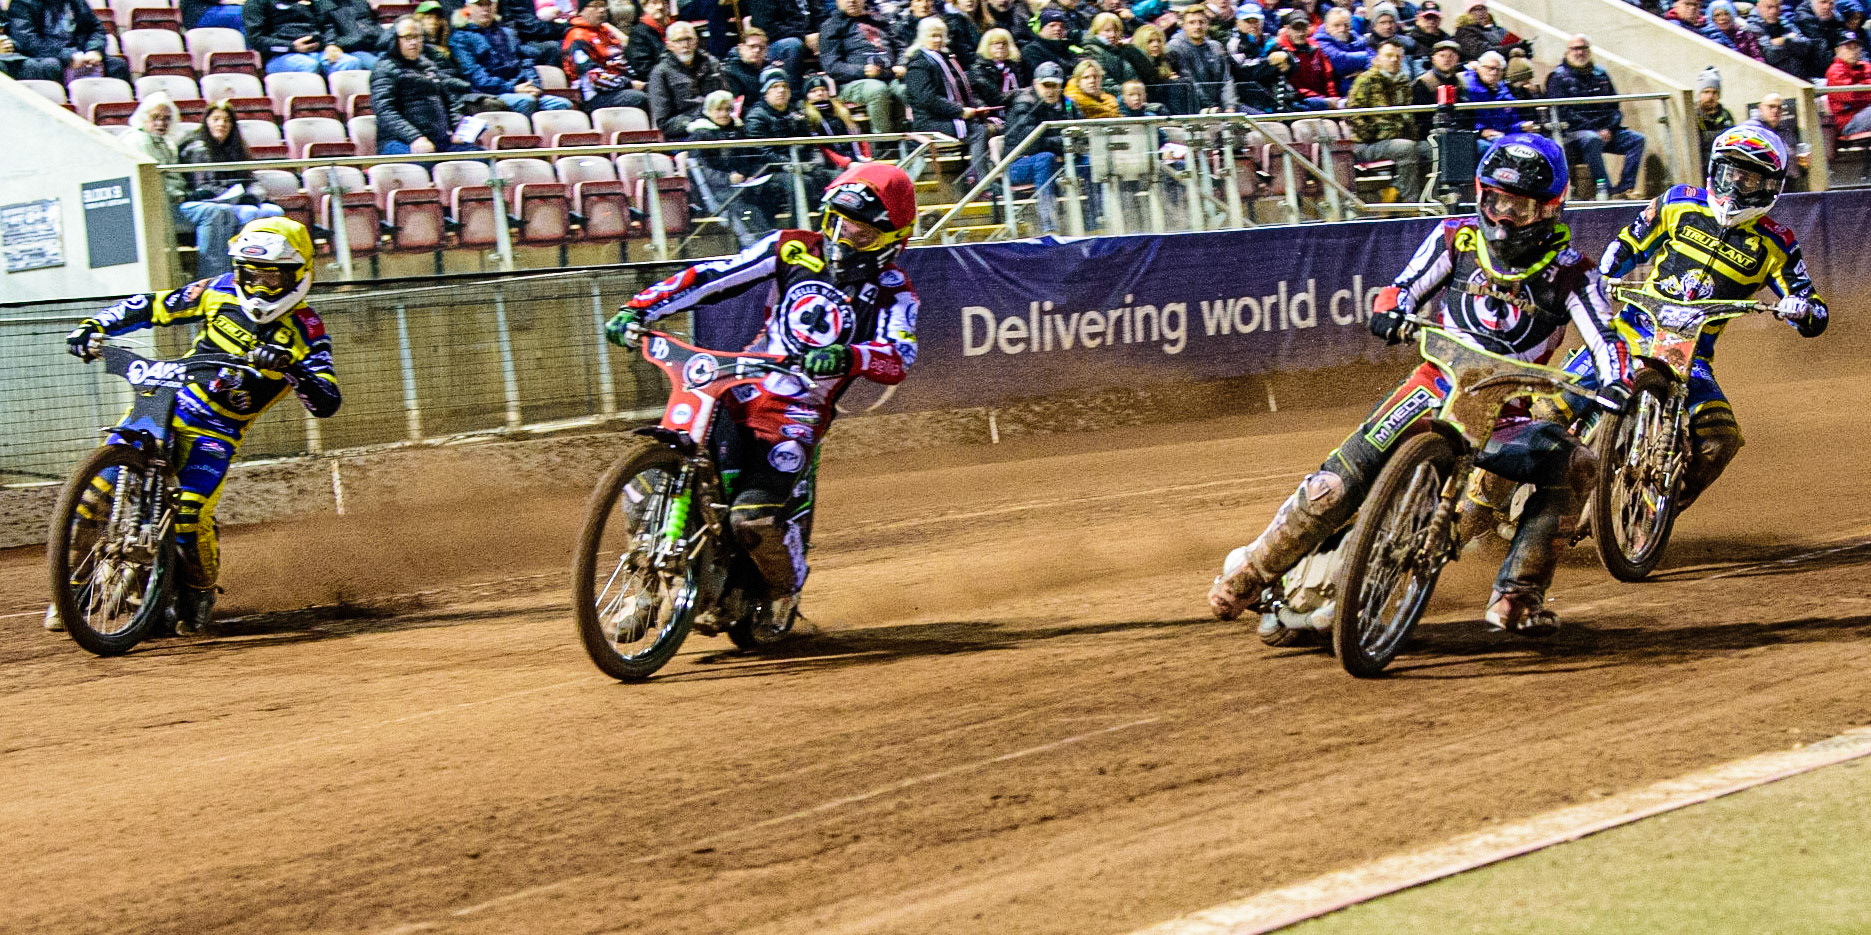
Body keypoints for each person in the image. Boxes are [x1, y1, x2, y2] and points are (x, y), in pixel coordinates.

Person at [1208, 134, 1628, 637]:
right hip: (1429, 390)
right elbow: (1403, 287)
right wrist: (1390, 310)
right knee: (1332, 487)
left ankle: (1518, 594)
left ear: (1549, 209)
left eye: (1519, 206)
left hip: (1506, 417)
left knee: (1578, 462)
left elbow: (1607, 340)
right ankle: (1249, 575)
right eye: (1495, 200)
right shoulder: (1456, 238)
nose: (1503, 217)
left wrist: (1617, 382)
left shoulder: (1573, 273)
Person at [603, 163, 921, 631]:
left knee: (752, 519)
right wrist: (641, 307)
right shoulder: (791, 248)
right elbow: (713, 276)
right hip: (740, 383)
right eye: (840, 223)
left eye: (864, 233)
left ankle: (782, 590)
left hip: (799, 409)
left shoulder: (894, 291)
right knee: (648, 482)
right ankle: (647, 591)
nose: (847, 238)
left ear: (894, 238)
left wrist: (848, 356)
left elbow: (898, 354)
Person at [54, 218, 340, 635]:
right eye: (250, 273)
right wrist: (95, 326)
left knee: (188, 514)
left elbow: (327, 402)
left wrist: (291, 365)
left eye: (271, 275)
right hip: (166, 397)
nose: (259, 286)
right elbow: (152, 305)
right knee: (94, 494)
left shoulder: (307, 330)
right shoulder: (217, 290)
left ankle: (198, 591)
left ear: (297, 274)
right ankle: (73, 590)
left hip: (216, 428)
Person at [1563, 126, 1828, 514]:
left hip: (1692, 358)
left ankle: (1653, 513)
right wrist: (1607, 270)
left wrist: (1802, 309)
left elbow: (1814, 309)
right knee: (1554, 406)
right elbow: (1629, 242)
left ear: (1770, 186)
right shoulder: (1678, 202)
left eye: (1749, 178)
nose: (1736, 186)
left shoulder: (1777, 243)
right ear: (1714, 170)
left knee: (1720, 440)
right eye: (1730, 174)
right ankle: (1484, 498)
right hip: (1628, 333)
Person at [122, 95, 244, 280]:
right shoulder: (137, 140)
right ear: (143, 117)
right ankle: (209, 278)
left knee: (226, 211)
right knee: (211, 212)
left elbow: (176, 179)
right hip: (155, 207)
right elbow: (150, 181)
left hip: (174, 201)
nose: (161, 123)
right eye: (156, 117)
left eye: (166, 118)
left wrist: (188, 194)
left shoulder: (168, 143)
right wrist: (182, 195)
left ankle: (226, 274)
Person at [1546, 35, 1647, 198]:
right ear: (1567, 52)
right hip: (1574, 135)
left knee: (1636, 140)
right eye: (1575, 49)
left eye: (1583, 48)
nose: (1580, 53)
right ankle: (1604, 189)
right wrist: (1595, 129)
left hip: (1605, 131)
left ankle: (1624, 188)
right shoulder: (1557, 77)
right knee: (1591, 138)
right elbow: (1563, 114)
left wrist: (1609, 128)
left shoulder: (1601, 74)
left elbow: (1614, 106)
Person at [372, 16, 485, 155]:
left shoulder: (428, 65)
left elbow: (450, 102)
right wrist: (415, 137)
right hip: (399, 140)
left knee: (481, 157)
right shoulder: (384, 68)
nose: (414, 42)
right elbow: (384, 110)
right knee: (425, 163)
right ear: (395, 40)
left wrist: (458, 129)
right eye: (408, 37)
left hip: (438, 140)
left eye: (418, 37)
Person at [901, 17, 993, 185]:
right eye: (933, 36)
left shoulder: (945, 59)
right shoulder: (918, 64)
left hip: (947, 115)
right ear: (922, 37)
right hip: (929, 122)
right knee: (978, 132)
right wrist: (959, 111)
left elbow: (963, 87)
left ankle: (976, 174)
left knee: (990, 126)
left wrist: (977, 106)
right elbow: (927, 99)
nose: (938, 40)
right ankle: (982, 182)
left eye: (940, 36)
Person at [455, 0, 581, 115]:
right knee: (526, 102)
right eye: (480, 4)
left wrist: (533, 86)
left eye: (489, 4)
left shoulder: (507, 32)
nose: (485, 9)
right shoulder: (460, 38)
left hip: (521, 90)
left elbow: (526, 61)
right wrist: (513, 89)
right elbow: (477, 77)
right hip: (491, 95)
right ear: (468, 8)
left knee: (563, 104)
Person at [685, 89, 777, 246]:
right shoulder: (700, 135)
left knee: (770, 192)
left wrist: (752, 174)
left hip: (743, 185)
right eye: (719, 110)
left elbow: (753, 157)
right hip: (714, 190)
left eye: (728, 109)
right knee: (742, 206)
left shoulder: (738, 131)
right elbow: (700, 170)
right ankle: (758, 243)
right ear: (708, 111)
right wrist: (727, 178)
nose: (724, 114)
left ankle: (771, 239)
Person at [1003, 60, 1083, 232]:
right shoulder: (1024, 104)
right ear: (1035, 84)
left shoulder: (1069, 105)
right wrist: (1063, 143)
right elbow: (1030, 143)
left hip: (1060, 159)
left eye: (1055, 85)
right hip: (1016, 163)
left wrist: (1066, 145)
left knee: (1089, 160)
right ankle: (1049, 225)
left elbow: (1082, 136)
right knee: (1045, 159)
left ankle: (1095, 218)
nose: (1051, 90)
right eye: (1046, 85)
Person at [1346, 40, 1431, 199]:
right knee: (1405, 148)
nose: (1394, 60)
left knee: (1435, 149)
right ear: (1377, 59)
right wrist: (1376, 134)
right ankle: (1409, 201)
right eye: (1389, 56)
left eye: (1398, 57)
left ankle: (1431, 198)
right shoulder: (1366, 81)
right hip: (1368, 144)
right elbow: (1353, 116)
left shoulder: (1403, 81)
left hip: (1400, 140)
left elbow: (1408, 116)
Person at [180, 102, 288, 227]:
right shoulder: (197, 147)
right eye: (216, 119)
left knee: (274, 211)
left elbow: (251, 180)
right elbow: (203, 186)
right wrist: (240, 198)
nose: (221, 124)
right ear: (207, 121)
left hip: (239, 199)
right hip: (213, 201)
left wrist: (255, 196)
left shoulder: (237, 148)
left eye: (227, 120)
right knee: (249, 212)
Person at [820, 0, 906, 131]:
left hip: (889, 75)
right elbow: (832, 66)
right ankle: (884, 144)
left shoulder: (879, 21)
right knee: (877, 89)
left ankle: (912, 139)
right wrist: (862, 71)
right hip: (853, 83)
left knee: (907, 88)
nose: (851, 1)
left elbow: (901, 47)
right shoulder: (831, 26)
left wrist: (902, 64)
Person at [558, 0, 652, 112]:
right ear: (581, 11)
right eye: (596, 6)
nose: (602, 10)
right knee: (638, 98)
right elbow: (593, 78)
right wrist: (629, 83)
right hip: (592, 97)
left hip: (618, 87)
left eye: (603, 6)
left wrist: (641, 82)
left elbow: (622, 63)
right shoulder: (577, 37)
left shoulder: (605, 32)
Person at [7, 0, 129, 81]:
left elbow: (96, 29)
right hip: (45, 56)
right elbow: (28, 41)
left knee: (117, 65)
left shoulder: (77, 2)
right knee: (51, 65)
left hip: (80, 54)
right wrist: (67, 56)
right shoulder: (21, 3)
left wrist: (94, 50)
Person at [646, 20, 727, 140]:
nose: (685, 45)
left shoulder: (712, 64)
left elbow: (727, 97)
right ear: (669, 45)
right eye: (679, 40)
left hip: (719, 126)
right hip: (684, 135)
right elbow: (665, 124)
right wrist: (698, 120)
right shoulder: (660, 73)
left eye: (689, 39)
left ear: (696, 41)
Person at [243, 0, 368, 74]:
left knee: (350, 62)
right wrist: (292, 46)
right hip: (279, 56)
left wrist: (330, 44)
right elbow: (256, 40)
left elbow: (327, 23)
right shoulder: (255, 3)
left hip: (318, 50)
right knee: (309, 65)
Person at [1463, 50, 1535, 152]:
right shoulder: (1466, 88)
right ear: (1479, 68)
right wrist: (1481, 131)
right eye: (1490, 68)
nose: (1494, 73)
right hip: (1476, 138)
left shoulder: (1505, 92)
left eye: (1498, 70)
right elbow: (1464, 121)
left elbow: (1510, 123)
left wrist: (1521, 126)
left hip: (1502, 137)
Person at [1167, 3, 1236, 110]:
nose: (1197, 26)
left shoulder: (1216, 47)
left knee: (1259, 118)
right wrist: (1212, 107)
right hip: (1193, 107)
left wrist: (1230, 106)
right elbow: (1189, 81)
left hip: (1220, 106)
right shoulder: (1174, 47)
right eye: (1192, 23)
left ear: (1207, 25)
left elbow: (1226, 80)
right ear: (1183, 26)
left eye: (1201, 22)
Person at [802, 73, 869, 168]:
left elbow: (860, 137)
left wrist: (867, 157)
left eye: (823, 89)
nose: (820, 93)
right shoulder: (808, 118)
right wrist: (845, 163)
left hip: (857, 160)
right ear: (806, 95)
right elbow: (820, 147)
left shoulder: (841, 111)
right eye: (813, 91)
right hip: (833, 166)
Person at [1274, 9, 1337, 106]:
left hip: (1322, 100)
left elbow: (1328, 77)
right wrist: (1323, 101)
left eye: (1303, 28)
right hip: (1297, 101)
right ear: (1287, 29)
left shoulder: (1316, 48)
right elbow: (1291, 87)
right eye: (1296, 29)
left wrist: (1333, 98)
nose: (1300, 33)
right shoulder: (1280, 50)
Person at [1747, 0, 1823, 78]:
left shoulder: (1784, 22)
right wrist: (1790, 41)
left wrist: (1783, 41)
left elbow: (1807, 45)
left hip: (1801, 75)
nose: (1774, 11)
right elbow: (1770, 54)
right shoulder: (1753, 27)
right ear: (1758, 7)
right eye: (1769, 7)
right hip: (1776, 79)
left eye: (1777, 7)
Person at [1309, 6, 1370, 93]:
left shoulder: (1355, 36)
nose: (1342, 29)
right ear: (1326, 26)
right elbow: (1340, 61)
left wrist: (1363, 71)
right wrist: (1368, 57)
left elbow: (1375, 54)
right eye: (1336, 25)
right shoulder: (1319, 41)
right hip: (1335, 92)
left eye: (1346, 25)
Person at [1411, 38, 1464, 137]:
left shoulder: (1462, 83)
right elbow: (1420, 119)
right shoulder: (1423, 83)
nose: (1447, 59)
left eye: (1451, 56)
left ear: (1457, 59)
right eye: (1442, 56)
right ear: (1433, 59)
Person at [318, 0, 387, 71]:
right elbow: (329, 33)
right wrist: (357, 39)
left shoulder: (360, 2)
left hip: (375, 44)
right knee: (379, 66)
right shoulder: (324, 4)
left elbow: (374, 24)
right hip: (354, 50)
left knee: (393, 61)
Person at [968, 27, 1027, 108]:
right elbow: (995, 99)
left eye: (1004, 43)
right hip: (992, 112)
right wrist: (1023, 92)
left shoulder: (1014, 66)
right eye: (995, 43)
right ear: (986, 46)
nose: (1000, 46)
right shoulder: (979, 69)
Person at [1827, 29, 1871, 137]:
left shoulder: (1866, 66)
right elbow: (1852, 96)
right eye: (1848, 48)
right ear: (1837, 51)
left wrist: (1862, 87)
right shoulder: (1835, 70)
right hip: (1849, 122)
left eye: (1856, 47)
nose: (1853, 51)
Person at [1083, 11, 1141, 93]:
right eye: (1107, 30)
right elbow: (1105, 83)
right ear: (1096, 31)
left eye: (1116, 30)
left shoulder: (1120, 50)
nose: (1113, 35)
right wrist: (1130, 92)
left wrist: (1131, 48)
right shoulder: (1091, 50)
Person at [1695, 66, 1735, 166]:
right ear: (1699, 94)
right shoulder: (1692, 116)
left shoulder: (1726, 115)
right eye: (1706, 92)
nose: (1710, 96)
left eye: (1714, 92)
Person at [1020, 7, 1078, 75]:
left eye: (1062, 26)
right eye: (1052, 25)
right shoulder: (1031, 50)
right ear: (1040, 29)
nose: (1058, 29)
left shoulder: (1068, 50)